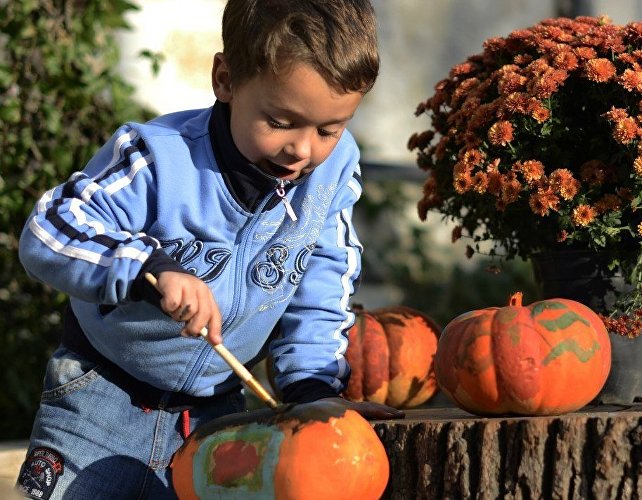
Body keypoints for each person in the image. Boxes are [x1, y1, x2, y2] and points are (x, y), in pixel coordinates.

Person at [14, 0, 403, 498]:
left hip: (217, 419)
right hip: (100, 400)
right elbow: (52, 229)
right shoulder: (155, 156)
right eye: (281, 122)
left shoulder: (331, 170)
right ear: (225, 79)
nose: (304, 151)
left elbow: (323, 280)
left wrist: (312, 392)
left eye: (329, 129)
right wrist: (149, 269)